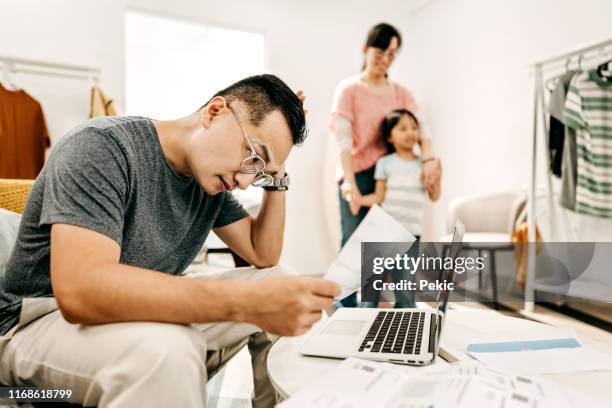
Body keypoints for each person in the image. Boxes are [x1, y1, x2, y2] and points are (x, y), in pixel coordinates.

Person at [0, 74, 340, 408]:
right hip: (34, 323)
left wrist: (277, 174)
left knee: (282, 281)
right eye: (253, 156)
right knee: (166, 351)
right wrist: (243, 300)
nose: (244, 180)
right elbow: (80, 292)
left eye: (259, 171)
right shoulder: (102, 146)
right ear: (214, 112)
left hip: (133, 316)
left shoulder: (208, 180)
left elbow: (263, 254)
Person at [330, 22, 439, 307]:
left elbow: (423, 129)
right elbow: (342, 143)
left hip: (390, 174)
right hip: (358, 173)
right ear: (366, 49)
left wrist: (428, 161)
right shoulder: (349, 90)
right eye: (381, 52)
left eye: (392, 55)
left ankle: (375, 305)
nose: (385, 60)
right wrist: (351, 185)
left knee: (384, 246)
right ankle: (346, 309)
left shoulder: (401, 93)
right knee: (353, 244)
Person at [358, 109, 441, 308]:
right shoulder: (385, 163)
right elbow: (379, 197)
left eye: (414, 127)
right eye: (402, 128)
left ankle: (405, 330)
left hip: (410, 236)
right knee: (370, 293)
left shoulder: (427, 164)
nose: (410, 132)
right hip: (382, 233)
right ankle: (362, 327)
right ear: (390, 137)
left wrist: (436, 179)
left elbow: (434, 196)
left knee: (405, 294)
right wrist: (357, 198)